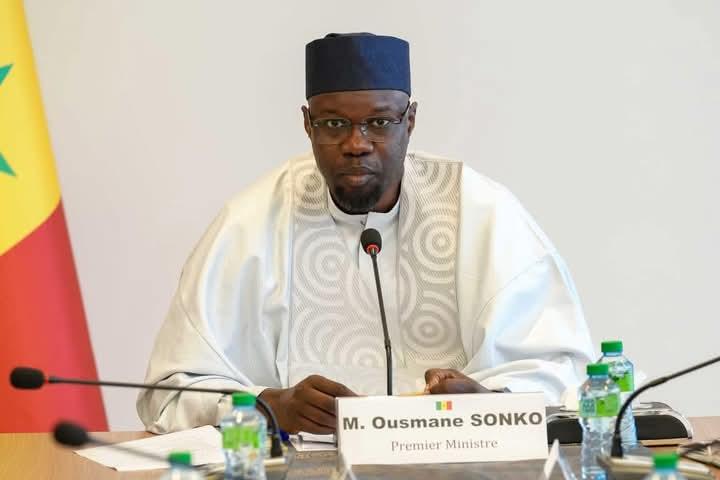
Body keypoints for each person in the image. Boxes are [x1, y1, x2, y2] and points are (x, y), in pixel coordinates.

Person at [137, 33, 595, 435]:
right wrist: (269, 407)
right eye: (334, 124)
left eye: (379, 123)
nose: (356, 144)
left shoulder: (480, 212)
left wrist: (490, 402)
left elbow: (565, 373)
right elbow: (169, 393)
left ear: (409, 121)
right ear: (307, 124)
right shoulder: (253, 222)